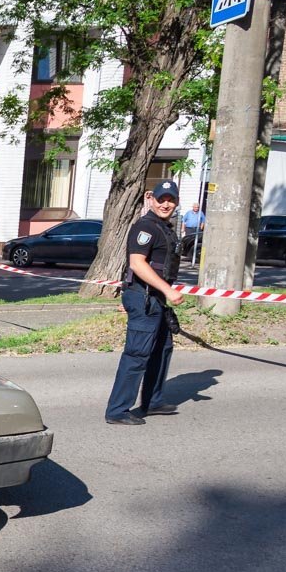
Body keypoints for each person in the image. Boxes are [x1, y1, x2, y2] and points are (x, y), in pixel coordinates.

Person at [104, 179, 185, 425]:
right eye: (161, 199)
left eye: (171, 200)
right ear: (152, 200)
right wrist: (168, 290)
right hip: (144, 298)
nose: (166, 204)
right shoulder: (146, 227)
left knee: (162, 348)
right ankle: (117, 410)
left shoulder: (164, 227)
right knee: (137, 354)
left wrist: (164, 293)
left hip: (155, 298)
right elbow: (137, 264)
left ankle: (152, 401)